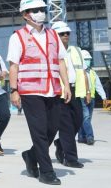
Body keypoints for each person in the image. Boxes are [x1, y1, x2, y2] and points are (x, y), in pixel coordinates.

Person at [8, 0, 71, 185]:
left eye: (42, 10)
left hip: (53, 90)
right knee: (39, 132)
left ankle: (31, 155)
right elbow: (14, 66)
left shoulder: (53, 34)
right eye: (35, 10)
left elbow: (60, 60)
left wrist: (66, 85)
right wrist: (14, 90)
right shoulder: (18, 37)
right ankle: (46, 171)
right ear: (25, 14)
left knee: (52, 129)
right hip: (31, 92)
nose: (40, 13)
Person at [50, 21, 85, 169]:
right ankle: (70, 158)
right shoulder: (50, 52)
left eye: (67, 33)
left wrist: (87, 91)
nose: (65, 35)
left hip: (75, 90)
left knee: (78, 121)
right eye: (61, 33)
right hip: (59, 92)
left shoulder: (76, 51)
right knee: (66, 126)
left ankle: (60, 143)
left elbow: (82, 72)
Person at [77, 50, 106, 145]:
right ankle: (90, 136)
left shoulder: (93, 73)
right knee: (85, 117)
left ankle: (81, 137)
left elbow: (98, 85)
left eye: (89, 59)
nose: (88, 61)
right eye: (86, 59)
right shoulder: (78, 72)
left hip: (92, 98)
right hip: (82, 97)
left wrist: (104, 97)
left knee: (87, 119)